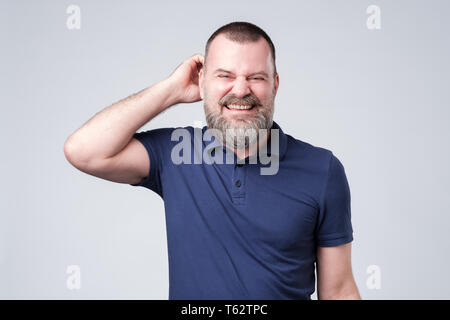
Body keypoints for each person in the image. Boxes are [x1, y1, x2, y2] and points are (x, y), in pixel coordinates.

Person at [64, 21, 361, 300]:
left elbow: (339, 291)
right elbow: (84, 151)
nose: (241, 90)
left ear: (275, 84)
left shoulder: (322, 170)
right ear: (203, 81)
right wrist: (171, 90)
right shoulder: (176, 153)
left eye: (256, 77)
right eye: (225, 76)